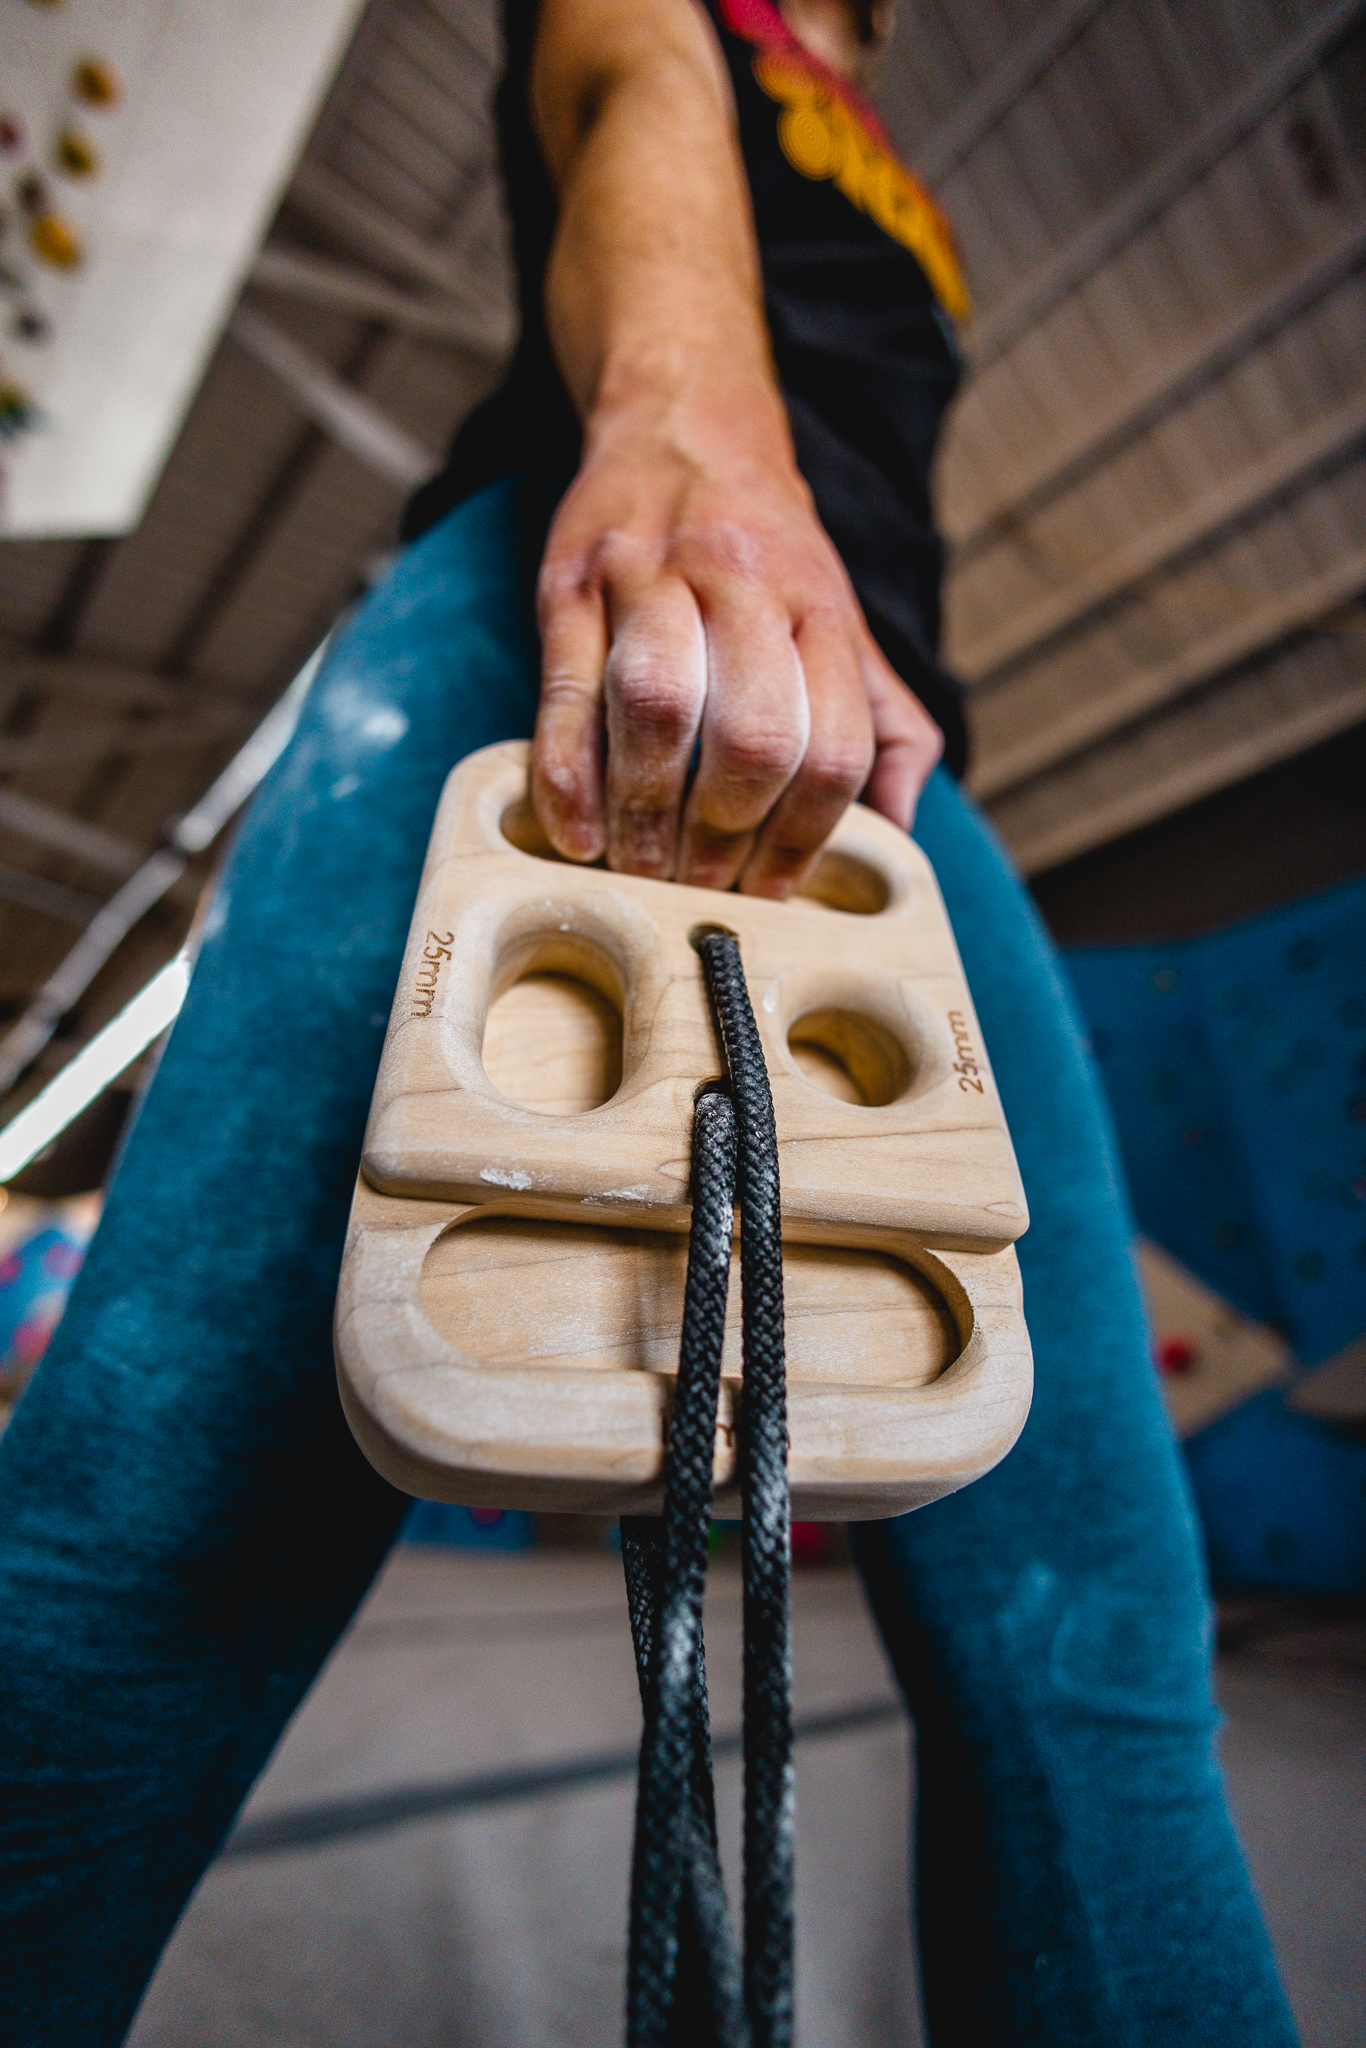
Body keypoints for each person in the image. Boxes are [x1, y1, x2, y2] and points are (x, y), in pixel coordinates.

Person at [0, 3, 1299, 2043]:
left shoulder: (875, 137)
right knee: (145, 1551)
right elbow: (632, 94)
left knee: (1094, 1653)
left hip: (856, 730)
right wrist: (694, 455)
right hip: (607, 621)